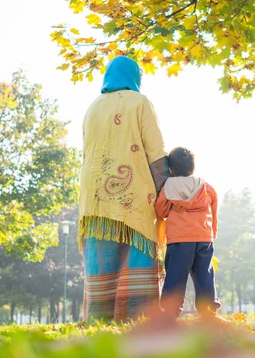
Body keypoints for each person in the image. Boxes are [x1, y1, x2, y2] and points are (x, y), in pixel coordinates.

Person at [78, 56, 169, 322]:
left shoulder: (92, 107)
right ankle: (136, 316)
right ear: (134, 77)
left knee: (101, 253)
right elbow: (155, 149)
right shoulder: (140, 102)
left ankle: (98, 317)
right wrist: (164, 189)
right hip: (133, 190)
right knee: (137, 247)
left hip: (93, 196)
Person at [155, 147, 221, 318]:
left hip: (179, 240)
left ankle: (170, 311)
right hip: (204, 238)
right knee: (204, 274)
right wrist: (212, 235)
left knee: (176, 275)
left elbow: (160, 211)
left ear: (170, 169)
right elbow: (213, 213)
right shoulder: (206, 187)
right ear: (192, 168)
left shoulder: (168, 187)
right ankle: (208, 311)